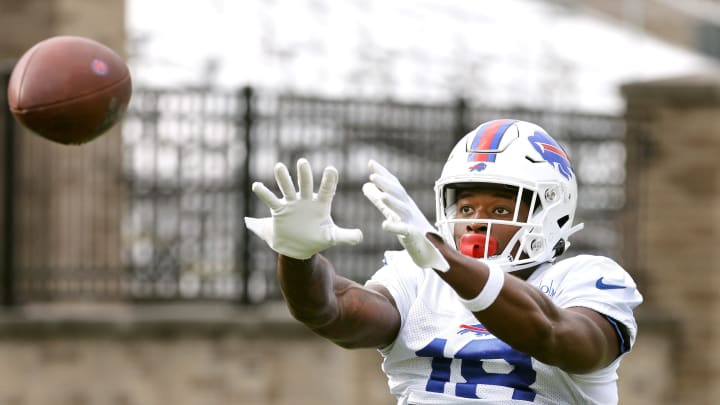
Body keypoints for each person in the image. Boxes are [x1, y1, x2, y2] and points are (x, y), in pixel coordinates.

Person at [245, 119, 643, 404]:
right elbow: (334, 313)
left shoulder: (588, 277)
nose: (474, 222)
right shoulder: (418, 275)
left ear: (551, 212)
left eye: (501, 210)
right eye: (466, 206)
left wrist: (447, 261)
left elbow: (553, 336)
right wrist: (298, 256)